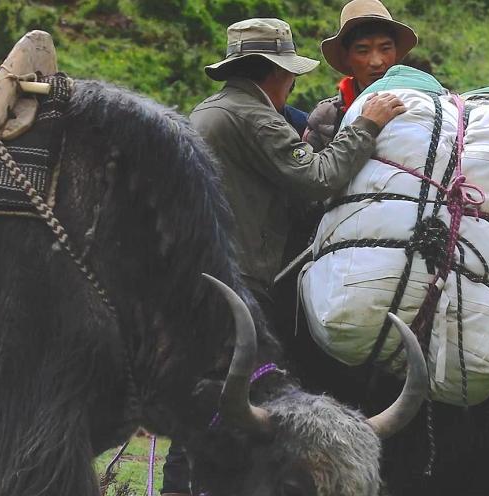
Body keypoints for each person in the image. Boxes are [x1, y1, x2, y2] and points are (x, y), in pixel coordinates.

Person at [160, 17, 405, 495]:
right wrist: (367, 126)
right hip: (238, 281)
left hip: (207, 279)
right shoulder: (253, 117)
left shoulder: (214, 110)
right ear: (278, 73)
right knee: (225, 398)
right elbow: (317, 178)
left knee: (209, 398)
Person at [303, 0, 417, 150]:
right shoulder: (326, 117)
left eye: (385, 48)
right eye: (363, 51)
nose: (376, 62)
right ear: (346, 57)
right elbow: (311, 165)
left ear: (396, 52)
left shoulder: (420, 103)